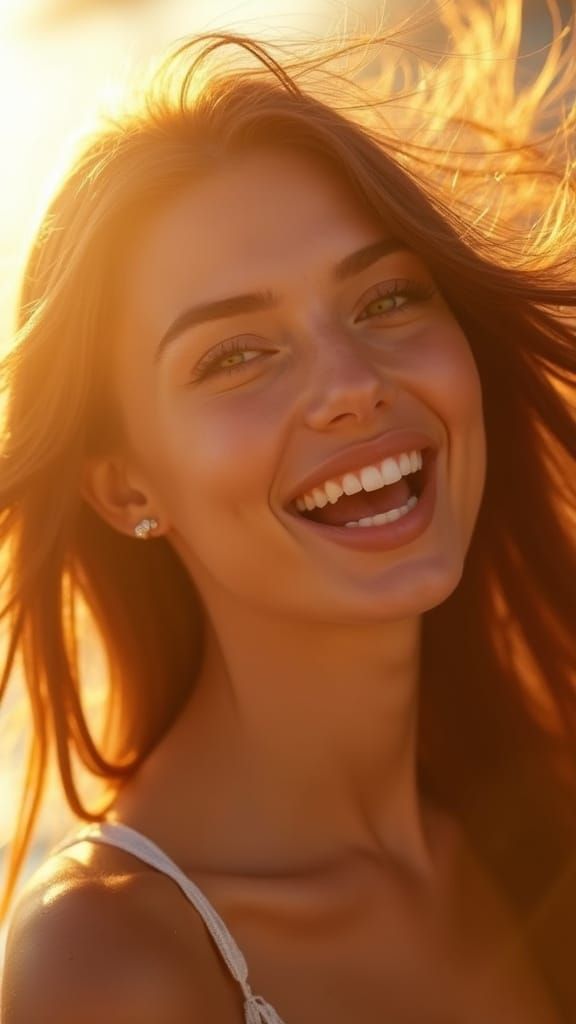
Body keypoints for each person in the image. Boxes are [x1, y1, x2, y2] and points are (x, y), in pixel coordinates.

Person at [1, 1, 575, 1021]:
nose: (351, 383)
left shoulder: (539, 811)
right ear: (127, 486)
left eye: (387, 298)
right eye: (235, 355)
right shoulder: (107, 965)